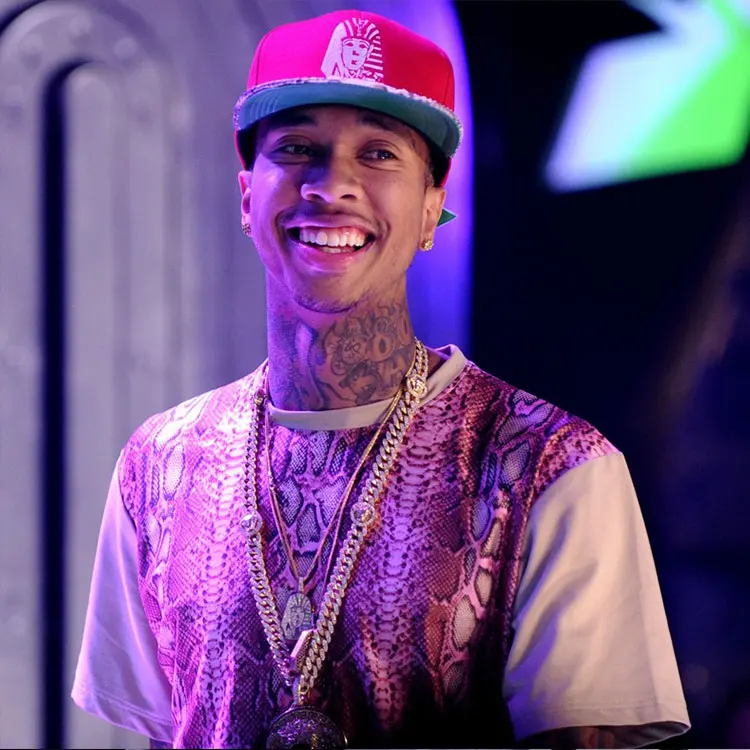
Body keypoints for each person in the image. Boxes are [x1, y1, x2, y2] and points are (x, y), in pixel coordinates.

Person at [71, 9, 691, 750]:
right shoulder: (160, 465)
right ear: (246, 197)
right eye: (297, 148)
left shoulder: (552, 467)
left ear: (432, 208)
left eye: (378, 153)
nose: (332, 184)